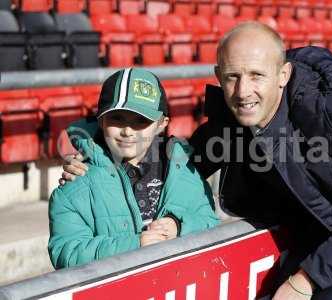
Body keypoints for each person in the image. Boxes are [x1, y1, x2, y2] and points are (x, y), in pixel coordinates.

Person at [60, 22, 332, 299]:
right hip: (319, 230)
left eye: (256, 75)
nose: (242, 91)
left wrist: (305, 280)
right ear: (218, 75)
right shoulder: (233, 120)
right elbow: (177, 163)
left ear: (283, 75)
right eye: (233, 77)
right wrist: (94, 153)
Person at [48, 67, 219, 269]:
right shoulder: (75, 184)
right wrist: (134, 245)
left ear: (161, 124)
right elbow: (66, 253)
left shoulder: (185, 171)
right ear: (101, 120)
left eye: (141, 121)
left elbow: (209, 220)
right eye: (117, 118)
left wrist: (179, 225)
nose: (128, 131)